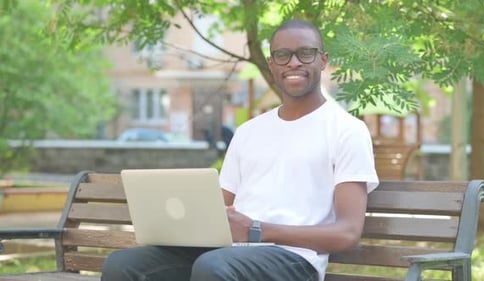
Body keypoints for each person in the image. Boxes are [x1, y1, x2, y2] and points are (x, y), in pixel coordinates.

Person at [101, 19, 378, 281]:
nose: (294, 62)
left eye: (305, 53)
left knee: (214, 266)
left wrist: (256, 231)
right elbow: (218, 207)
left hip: (295, 259)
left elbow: (347, 233)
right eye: (283, 55)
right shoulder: (249, 131)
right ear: (272, 64)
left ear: (323, 60)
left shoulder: (346, 130)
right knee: (124, 265)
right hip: (231, 253)